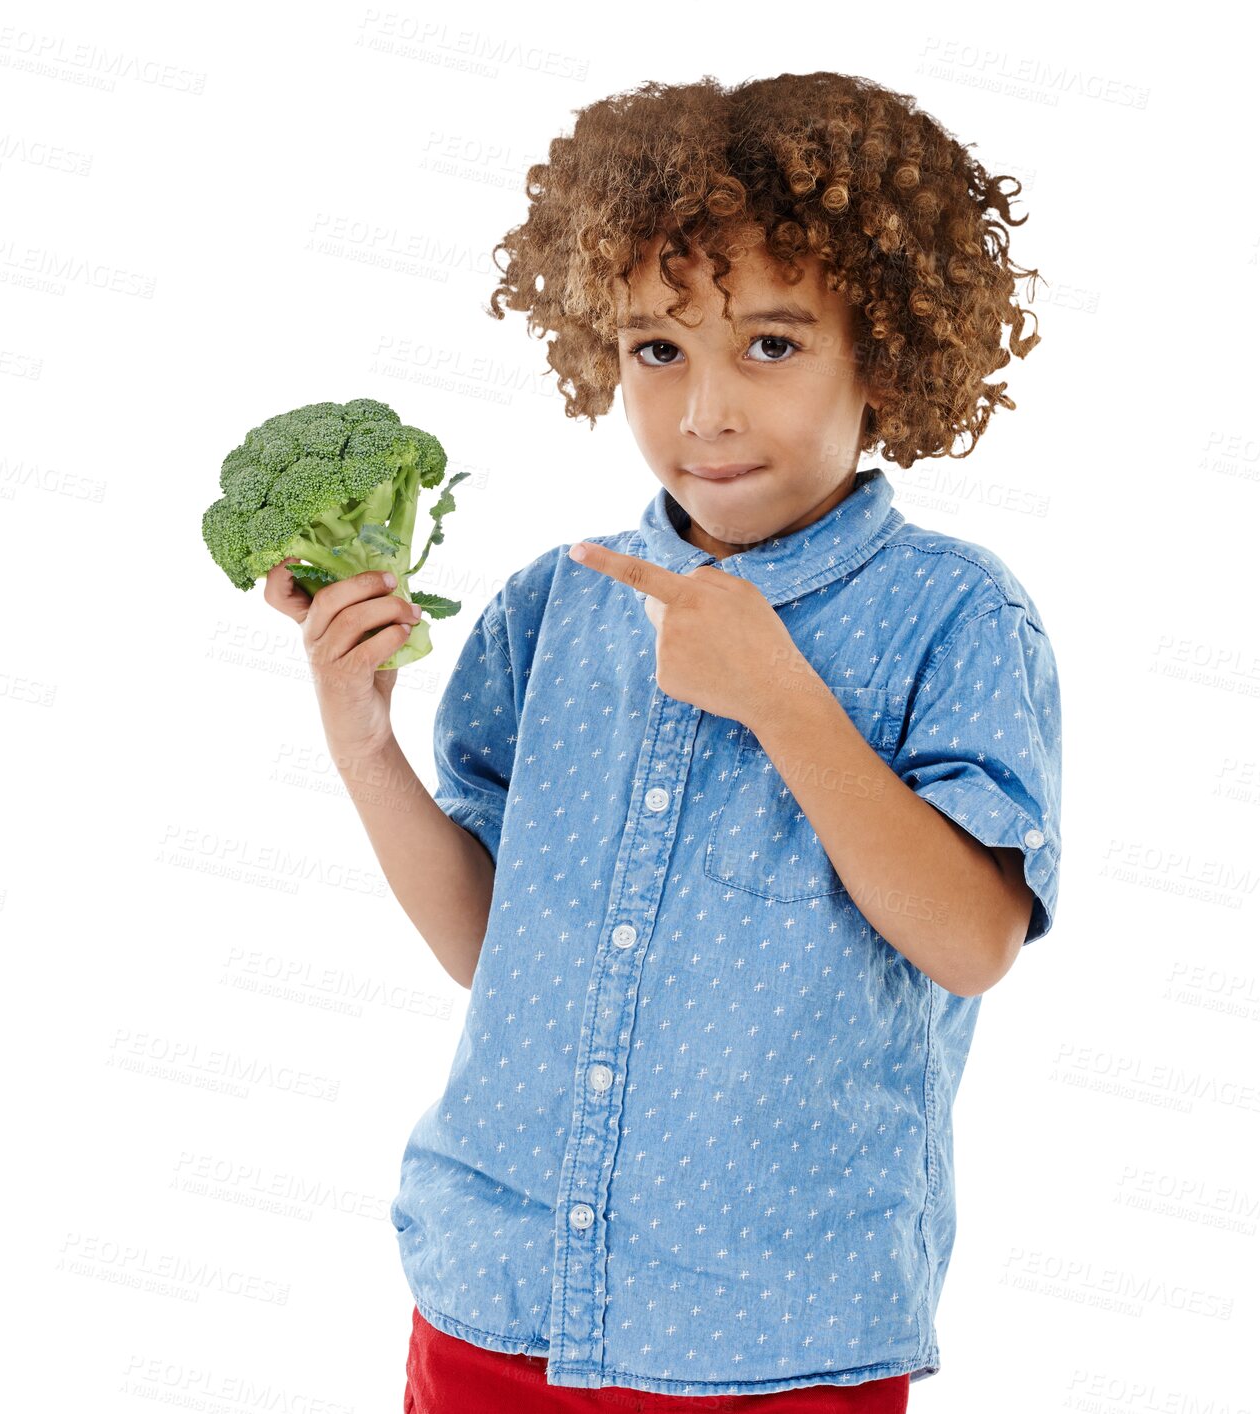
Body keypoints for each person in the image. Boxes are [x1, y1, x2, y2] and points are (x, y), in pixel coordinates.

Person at [266, 70, 1061, 1411]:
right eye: (656, 348)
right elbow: (493, 947)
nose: (703, 411)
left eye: (767, 344)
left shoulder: (954, 614)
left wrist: (782, 696)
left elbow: (970, 940)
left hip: (772, 1327)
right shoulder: (553, 603)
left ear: (883, 346)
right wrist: (361, 742)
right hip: (494, 1292)